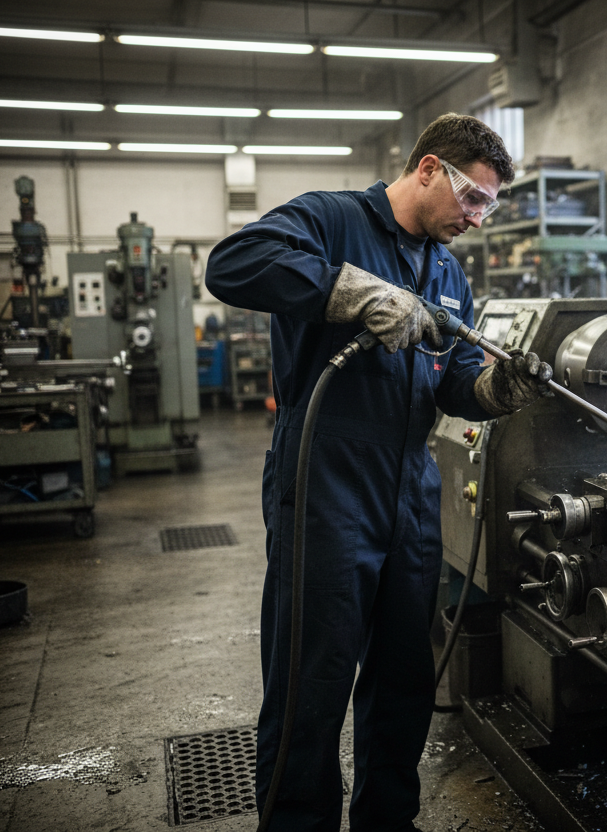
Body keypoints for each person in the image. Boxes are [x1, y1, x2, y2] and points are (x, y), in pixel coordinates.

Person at [205, 113, 548, 832]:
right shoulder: (331, 219)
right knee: (314, 679)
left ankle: (387, 821)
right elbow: (232, 263)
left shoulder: (447, 269)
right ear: (428, 169)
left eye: (488, 207)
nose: (478, 219)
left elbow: (453, 381)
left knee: (403, 681)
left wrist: (495, 391)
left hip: (410, 492)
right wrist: (355, 292)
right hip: (325, 479)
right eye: (472, 199)